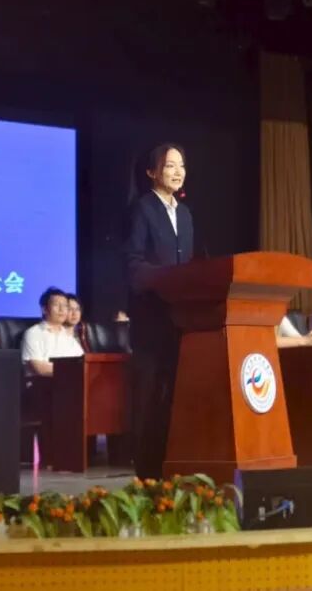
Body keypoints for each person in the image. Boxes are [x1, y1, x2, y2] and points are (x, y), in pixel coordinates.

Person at [123, 142, 196, 479]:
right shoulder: (142, 209)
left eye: (181, 165)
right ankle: (146, 472)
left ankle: (170, 464)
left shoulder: (185, 214)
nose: (177, 172)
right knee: (149, 394)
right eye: (169, 165)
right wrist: (166, 280)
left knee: (173, 395)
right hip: (151, 317)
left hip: (180, 319)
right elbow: (133, 262)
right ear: (152, 172)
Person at [21, 286, 85, 376]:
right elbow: (39, 368)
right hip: (41, 383)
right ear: (44, 309)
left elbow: (83, 362)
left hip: (68, 381)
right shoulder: (34, 333)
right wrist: (72, 371)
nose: (61, 309)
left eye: (65, 306)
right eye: (56, 305)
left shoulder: (68, 336)